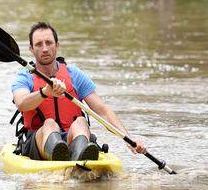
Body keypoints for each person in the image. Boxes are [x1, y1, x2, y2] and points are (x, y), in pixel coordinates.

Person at [11, 21, 147, 161]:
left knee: (81, 121)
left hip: (72, 138)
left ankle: (79, 154)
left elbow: (103, 111)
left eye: (49, 43)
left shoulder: (74, 74)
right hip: (39, 141)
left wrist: (128, 139)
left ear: (56, 45)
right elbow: (21, 103)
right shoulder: (24, 77)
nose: (45, 49)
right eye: (39, 44)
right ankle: (60, 155)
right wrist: (45, 92)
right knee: (50, 124)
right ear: (31, 49)